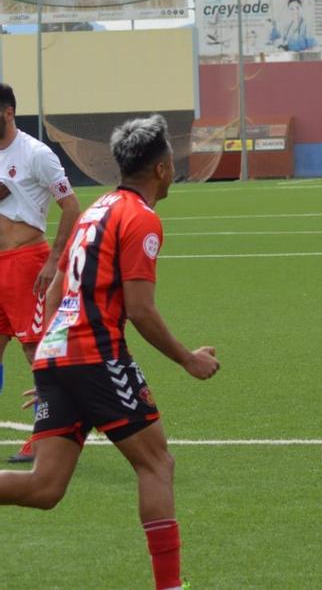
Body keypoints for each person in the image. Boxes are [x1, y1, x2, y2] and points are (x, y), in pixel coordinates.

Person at [0, 114, 220, 590]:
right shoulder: (141, 218)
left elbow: (58, 288)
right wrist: (188, 358)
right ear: (161, 169)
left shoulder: (96, 209)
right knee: (157, 463)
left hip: (63, 355)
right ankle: (170, 587)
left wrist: (53, 364)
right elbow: (140, 310)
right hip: (96, 355)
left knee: (44, 487)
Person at [0, 83, 82, 464]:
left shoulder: (36, 153)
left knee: (35, 349)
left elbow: (71, 206)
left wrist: (54, 262)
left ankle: (45, 435)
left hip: (26, 262)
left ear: (9, 112)